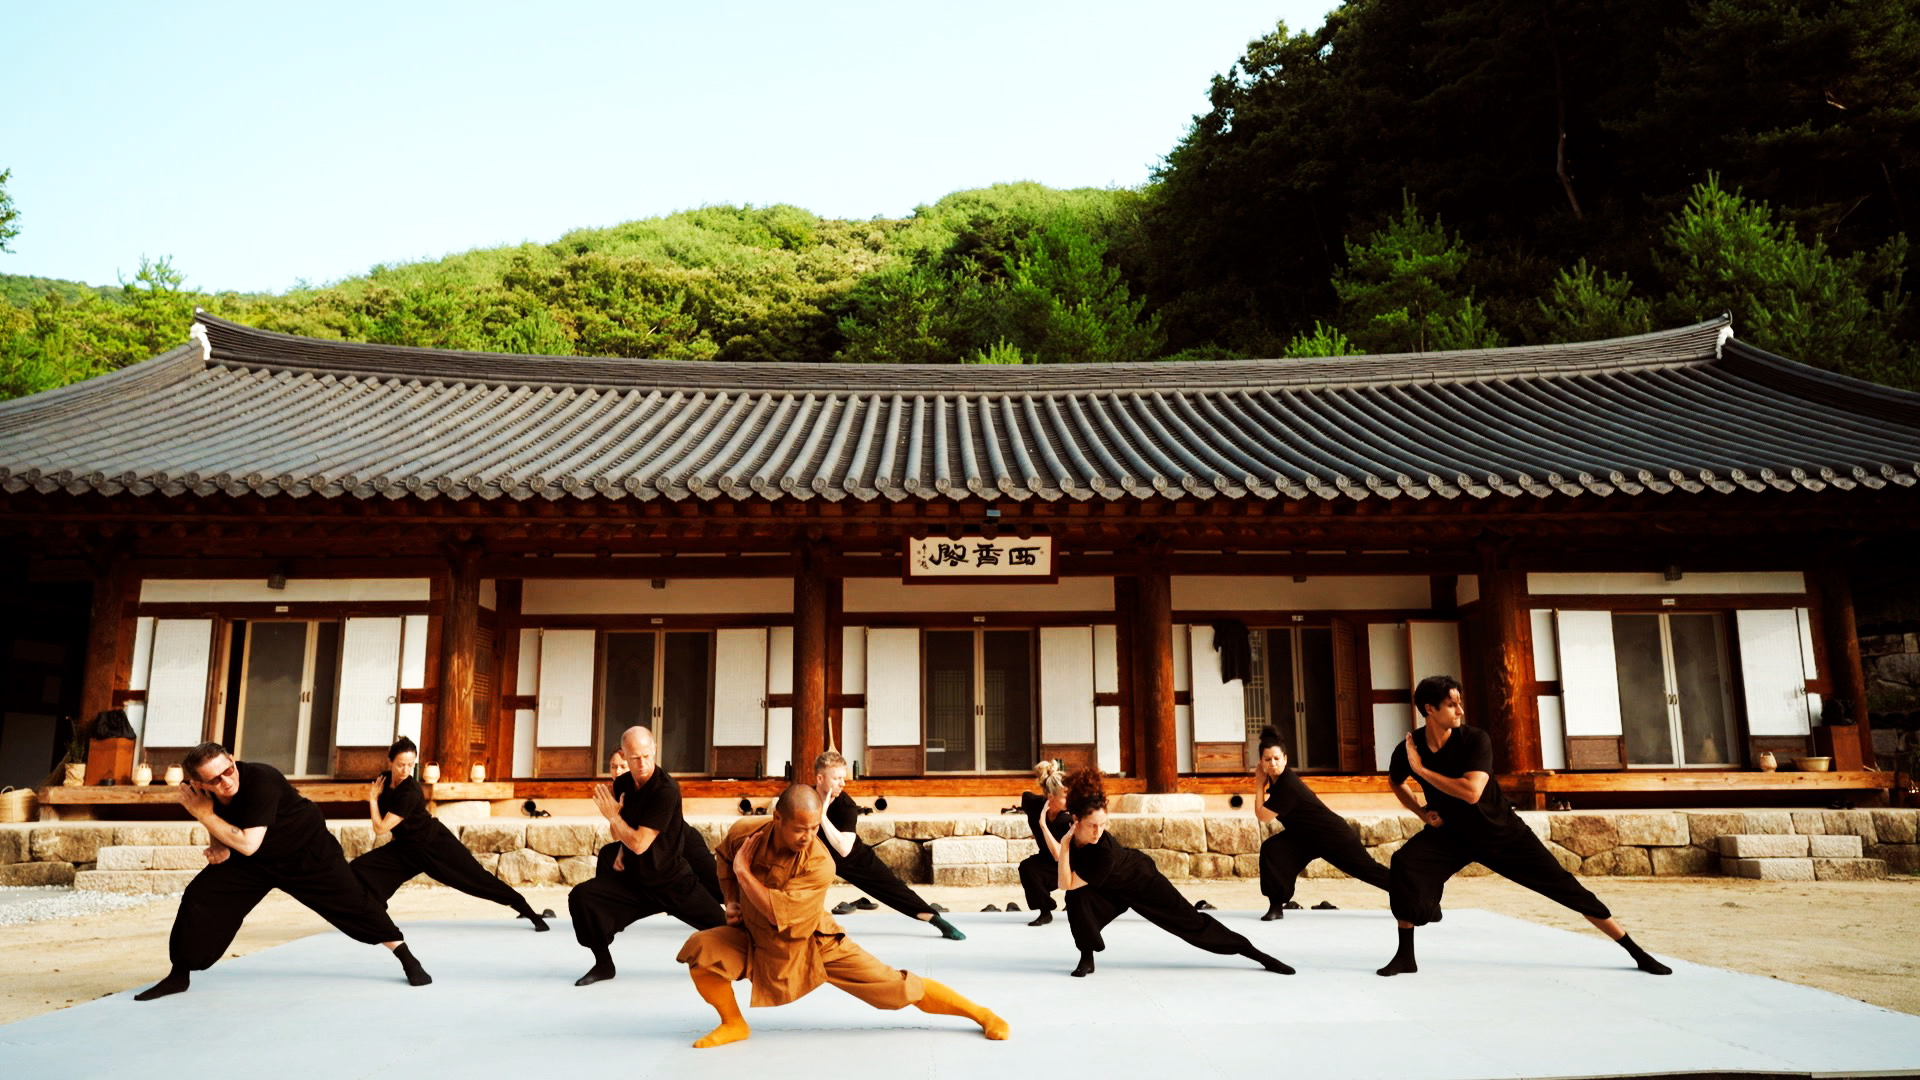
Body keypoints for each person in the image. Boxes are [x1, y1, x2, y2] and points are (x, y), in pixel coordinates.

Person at [1376, 675, 1671, 977]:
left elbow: (1471, 792)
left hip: (1500, 832)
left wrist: (1422, 770)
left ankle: (1636, 952)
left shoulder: (1474, 740)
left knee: (1565, 887)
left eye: (1460, 703)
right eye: (1452, 705)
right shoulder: (1410, 748)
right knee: (1405, 863)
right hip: (1452, 835)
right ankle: (1405, 956)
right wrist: (1422, 813)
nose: (1460, 711)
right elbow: (1395, 782)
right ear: (1430, 709)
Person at [676, 784, 1008, 1048]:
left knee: (894, 989)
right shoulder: (746, 831)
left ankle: (981, 1014)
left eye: (814, 827)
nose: (808, 837)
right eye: (799, 828)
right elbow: (724, 858)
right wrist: (732, 900)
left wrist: (744, 875)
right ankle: (733, 1023)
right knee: (702, 951)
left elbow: (777, 912)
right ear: (777, 818)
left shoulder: (820, 863)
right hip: (756, 938)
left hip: (814, 943)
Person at [135, 743, 430, 1000]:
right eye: (215, 779)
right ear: (200, 783)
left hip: (306, 851)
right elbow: (221, 822)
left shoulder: (261, 779)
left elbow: (246, 842)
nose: (226, 781)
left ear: (233, 760)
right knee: (202, 896)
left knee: (353, 902)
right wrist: (218, 845)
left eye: (229, 770)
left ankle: (406, 958)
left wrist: (205, 815)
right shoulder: (199, 794)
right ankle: (179, 974)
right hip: (255, 859)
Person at [1060, 768, 1292, 978]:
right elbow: (1065, 878)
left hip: (1143, 882)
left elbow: (1065, 882)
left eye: (1103, 824)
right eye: (1092, 825)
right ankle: (1086, 958)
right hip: (1111, 888)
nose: (1098, 831)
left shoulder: (1103, 853)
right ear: (1075, 820)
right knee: (1078, 899)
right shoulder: (1069, 830)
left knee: (1193, 925)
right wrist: (1063, 842)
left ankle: (1257, 954)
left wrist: (1064, 845)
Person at [568, 726, 724, 986]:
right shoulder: (623, 784)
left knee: (726, 928)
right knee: (582, 897)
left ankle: (761, 959)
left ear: (654, 750)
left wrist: (613, 817)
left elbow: (639, 843)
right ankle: (603, 964)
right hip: (635, 881)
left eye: (646, 756)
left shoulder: (666, 790)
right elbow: (618, 835)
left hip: (671, 879)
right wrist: (616, 819)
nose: (642, 763)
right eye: (635, 758)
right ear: (625, 758)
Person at [350, 736, 552, 930]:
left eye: (411, 765)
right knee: (361, 867)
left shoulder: (409, 792)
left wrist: (372, 800)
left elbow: (380, 828)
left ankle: (529, 912)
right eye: (400, 764)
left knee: (478, 880)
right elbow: (394, 826)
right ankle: (374, 915)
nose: (405, 770)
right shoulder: (383, 781)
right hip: (406, 848)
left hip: (435, 845)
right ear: (390, 762)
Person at [809, 750, 965, 940]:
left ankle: (937, 921)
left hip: (852, 858)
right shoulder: (804, 798)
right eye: (837, 778)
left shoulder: (846, 806)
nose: (843, 783)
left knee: (892, 887)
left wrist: (822, 817)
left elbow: (843, 849)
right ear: (820, 778)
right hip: (814, 856)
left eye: (844, 778)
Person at [1251, 725, 1390, 919]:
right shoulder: (1275, 782)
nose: (1272, 763)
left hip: (1332, 835)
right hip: (1303, 837)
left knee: (1369, 871)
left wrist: (1258, 784)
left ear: (1286, 759)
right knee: (1273, 850)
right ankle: (1276, 906)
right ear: (1261, 762)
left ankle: (1418, 897)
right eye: (1267, 759)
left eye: (1277, 758)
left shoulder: (1288, 785)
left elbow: (1263, 816)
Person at [607, 747, 723, 904]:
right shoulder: (619, 790)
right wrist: (615, 816)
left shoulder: (656, 787)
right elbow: (617, 836)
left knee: (720, 886)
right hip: (657, 851)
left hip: (682, 841)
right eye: (613, 767)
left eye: (622, 766)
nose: (618, 771)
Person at [1019, 760, 1072, 926]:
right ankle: (1045, 910)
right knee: (1027, 868)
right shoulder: (1033, 804)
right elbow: (1026, 795)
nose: (1069, 800)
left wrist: (1042, 825)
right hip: (1047, 861)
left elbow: (1059, 856)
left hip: (1071, 863)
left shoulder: (1066, 820)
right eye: (1065, 796)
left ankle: (1074, 902)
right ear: (1050, 797)